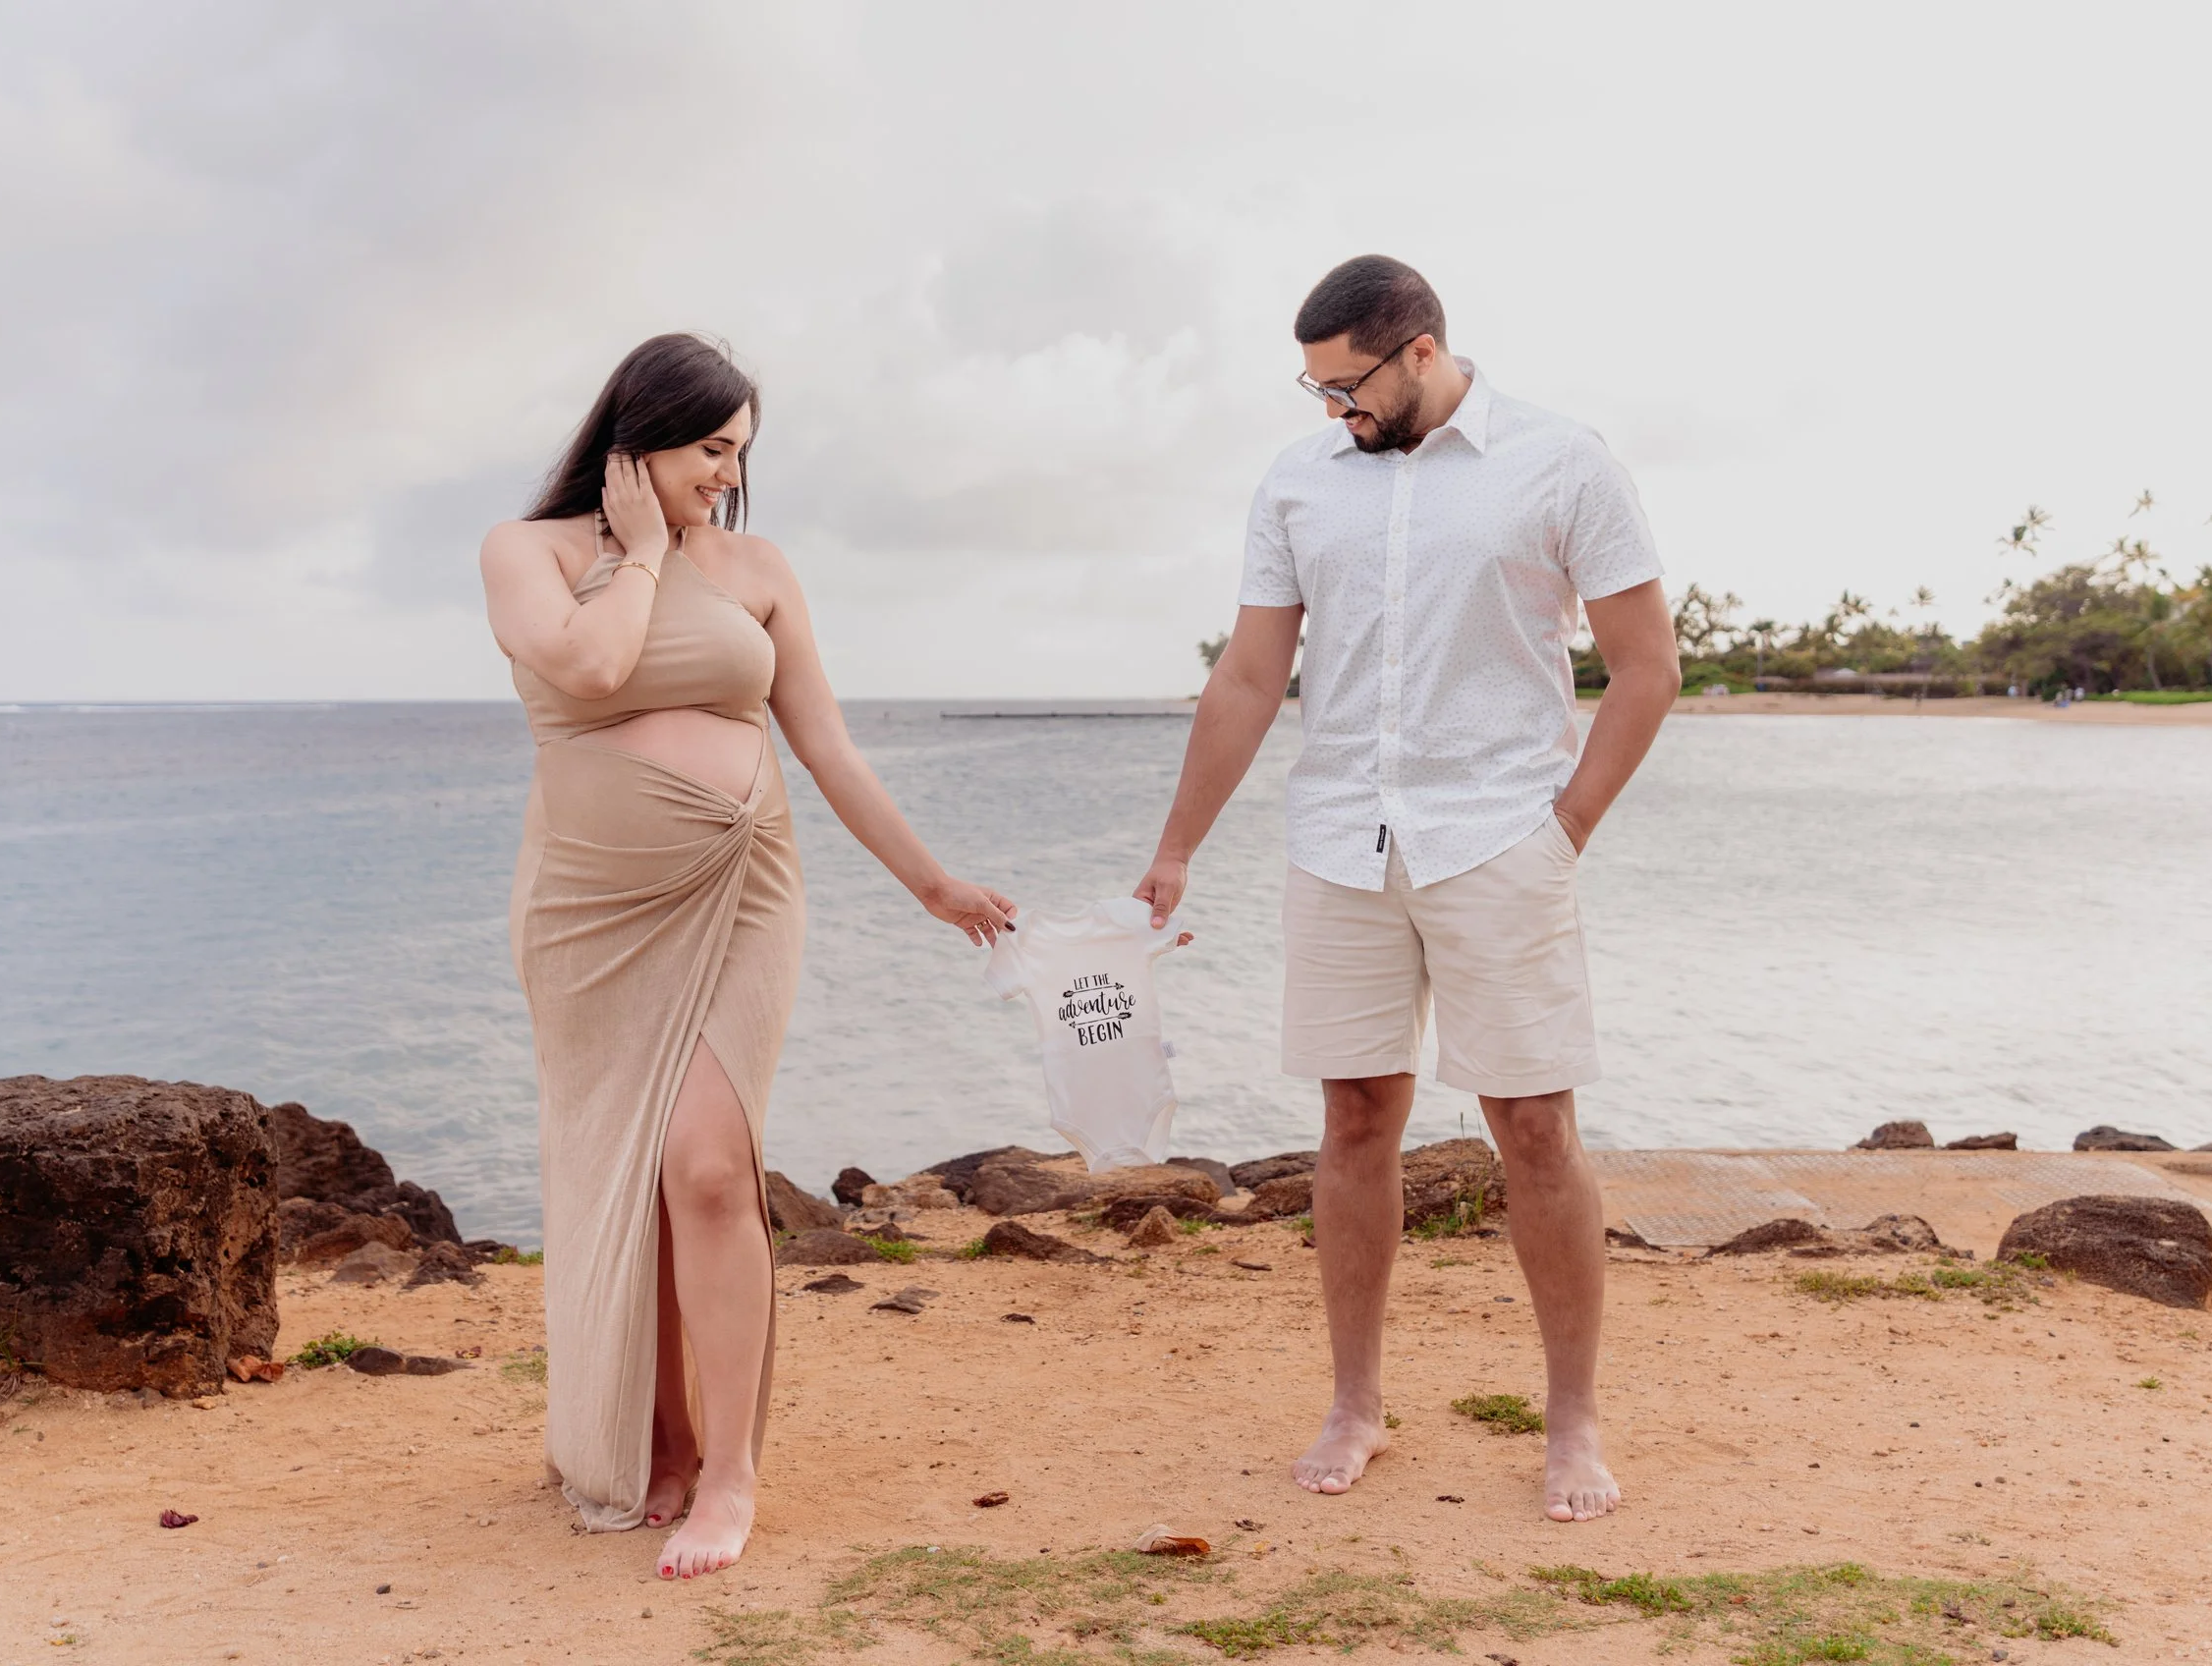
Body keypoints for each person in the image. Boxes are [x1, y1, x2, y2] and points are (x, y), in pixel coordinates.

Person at [1134, 256, 1678, 1523]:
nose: (1334, 411)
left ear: (1421, 350)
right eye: (1315, 389)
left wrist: (1566, 829)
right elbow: (1250, 679)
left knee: (1533, 1127)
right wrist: (1176, 848)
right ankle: (1354, 1402)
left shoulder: (1562, 463)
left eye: (1348, 385)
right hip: (1339, 842)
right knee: (1354, 1120)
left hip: (1501, 836)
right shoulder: (1296, 481)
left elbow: (1644, 670)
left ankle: (1573, 1417)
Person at [481, 334, 1016, 1578]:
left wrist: (930, 881)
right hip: (591, 913)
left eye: (740, 452)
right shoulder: (529, 554)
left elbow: (826, 747)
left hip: (739, 890)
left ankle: (730, 1469)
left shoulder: (762, 569)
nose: (728, 473)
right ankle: (656, 1440)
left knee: (709, 1169)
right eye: (710, 448)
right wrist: (646, 554)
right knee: (625, 1173)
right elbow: (591, 665)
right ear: (638, 439)